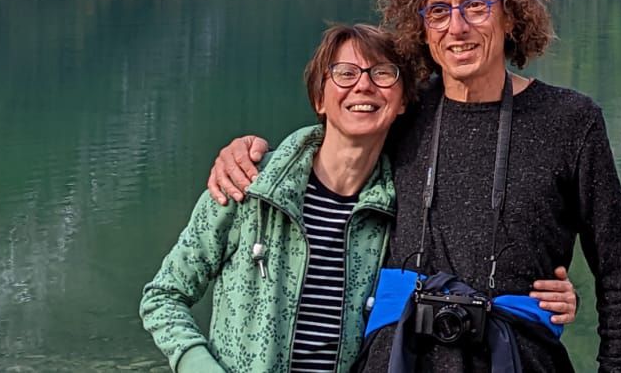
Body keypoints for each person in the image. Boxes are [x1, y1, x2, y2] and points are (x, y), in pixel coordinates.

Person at [209, 0, 621, 372]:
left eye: (475, 6)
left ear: (511, 14)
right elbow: (331, 150)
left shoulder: (569, 122)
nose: (456, 28)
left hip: (518, 359)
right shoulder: (403, 110)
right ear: (420, 27)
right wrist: (248, 153)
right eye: (438, 11)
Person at [143, 22, 578, 373]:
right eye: (345, 74)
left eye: (382, 74)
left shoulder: (404, 209)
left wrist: (543, 297)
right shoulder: (250, 186)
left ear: (404, 100)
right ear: (320, 97)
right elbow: (163, 297)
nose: (363, 86)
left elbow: (465, 270)